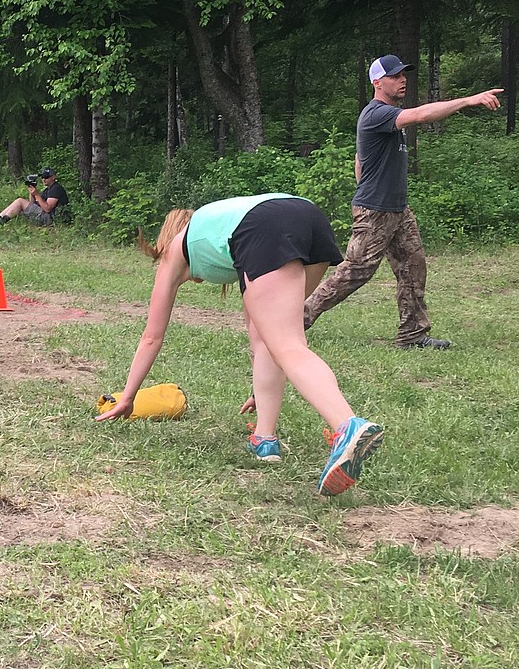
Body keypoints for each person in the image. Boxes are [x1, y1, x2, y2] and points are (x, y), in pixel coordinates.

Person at [97, 194, 384, 496]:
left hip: (264, 226)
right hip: (308, 216)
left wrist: (128, 397)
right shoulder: (220, 230)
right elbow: (257, 335)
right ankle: (264, 440)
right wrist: (260, 390)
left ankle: (347, 426)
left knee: (287, 344)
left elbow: (151, 337)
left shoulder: (174, 252)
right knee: (273, 338)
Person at [304, 55, 502, 348]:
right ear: (377, 82)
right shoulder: (377, 113)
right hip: (375, 212)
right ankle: (294, 321)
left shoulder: (385, 119)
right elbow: (420, 116)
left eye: (403, 75)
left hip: (397, 209)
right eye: (395, 76)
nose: (402, 80)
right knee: (354, 273)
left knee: (413, 266)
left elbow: (360, 160)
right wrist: (468, 100)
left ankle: (412, 334)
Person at [0, 167, 69, 226]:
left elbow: (48, 209)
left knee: (20, 201)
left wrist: (37, 194)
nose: (44, 179)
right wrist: (32, 192)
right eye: (42, 177)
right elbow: (33, 204)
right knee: (19, 201)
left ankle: (2, 221)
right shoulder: (47, 190)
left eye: (46, 177)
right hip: (46, 216)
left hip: (52, 218)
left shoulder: (56, 188)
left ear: (53, 177)